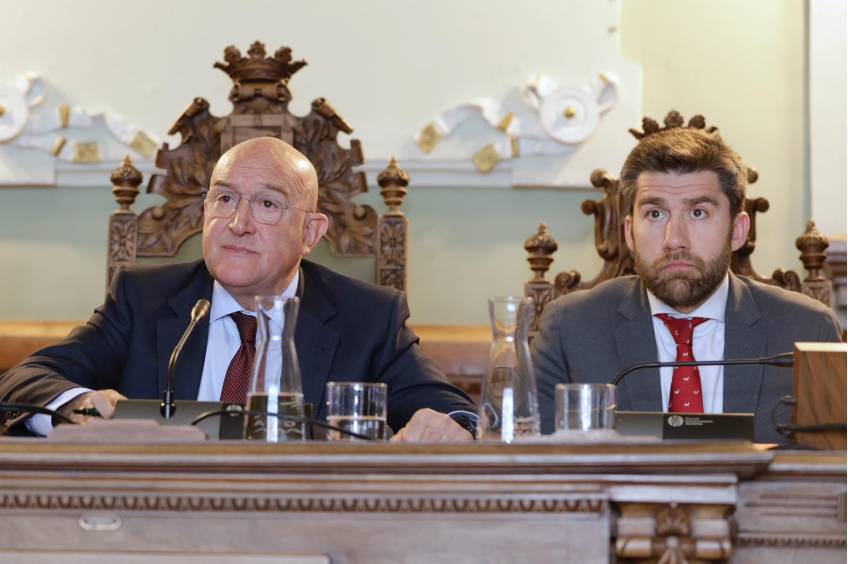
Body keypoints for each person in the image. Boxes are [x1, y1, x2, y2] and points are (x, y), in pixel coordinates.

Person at [0, 137, 476, 442]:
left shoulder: (367, 317)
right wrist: (78, 406)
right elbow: (23, 382)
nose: (238, 223)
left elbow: (455, 414)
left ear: (311, 233)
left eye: (267, 204)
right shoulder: (143, 300)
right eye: (225, 198)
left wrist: (448, 428)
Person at [532, 127, 841, 443]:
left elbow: (829, 466)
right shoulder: (570, 329)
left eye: (698, 212)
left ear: (737, 231)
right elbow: (532, 462)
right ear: (629, 234)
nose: (674, 239)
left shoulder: (806, 329)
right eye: (655, 214)